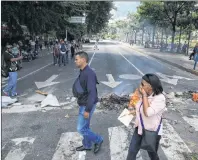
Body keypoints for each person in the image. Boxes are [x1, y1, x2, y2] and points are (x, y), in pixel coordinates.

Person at [126, 74, 166, 160]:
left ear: (150, 87)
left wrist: (144, 95)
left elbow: (147, 112)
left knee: (152, 155)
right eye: (140, 83)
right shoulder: (144, 94)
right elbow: (138, 109)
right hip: (139, 129)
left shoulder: (160, 98)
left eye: (142, 84)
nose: (140, 86)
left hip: (151, 132)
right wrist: (127, 115)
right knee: (132, 152)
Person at [73, 51, 103, 153]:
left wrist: (87, 110)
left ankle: (98, 140)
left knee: (81, 129)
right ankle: (87, 145)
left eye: (76, 59)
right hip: (83, 102)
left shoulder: (89, 73)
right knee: (85, 127)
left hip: (86, 105)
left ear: (83, 60)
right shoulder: (83, 71)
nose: (75, 61)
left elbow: (92, 94)